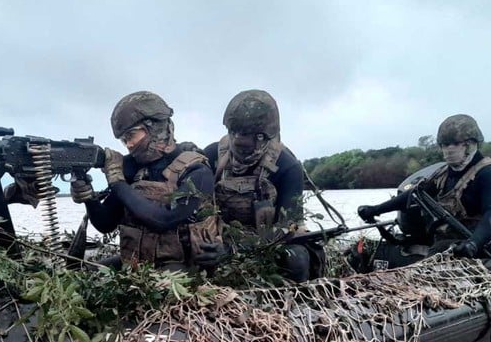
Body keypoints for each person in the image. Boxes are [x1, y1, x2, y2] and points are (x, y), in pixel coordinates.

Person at [69, 91, 221, 270]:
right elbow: (106, 224)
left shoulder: (196, 170)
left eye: (131, 135)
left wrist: (117, 182)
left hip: (180, 267)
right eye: (124, 140)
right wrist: (89, 197)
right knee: (84, 273)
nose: (129, 145)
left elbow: (165, 220)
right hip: (139, 263)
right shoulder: (135, 169)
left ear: (155, 127)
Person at [357, 114, 491, 259]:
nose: (448, 149)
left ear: (470, 144)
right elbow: (414, 195)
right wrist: (375, 209)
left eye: (454, 144)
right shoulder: (442, 174)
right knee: (401, 243)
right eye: (444, 144)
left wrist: (473, 244)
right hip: (457, 237)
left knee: (440, 250)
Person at [198, 89, 313, 281]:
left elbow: (288, 229)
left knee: (296, 258)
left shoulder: (287, 166)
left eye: (244, 134)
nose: (236, 140)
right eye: (232, 132)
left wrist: (234, 250)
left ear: (264, 137)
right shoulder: (211, 155)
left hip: (267, 243)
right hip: (220, 237)